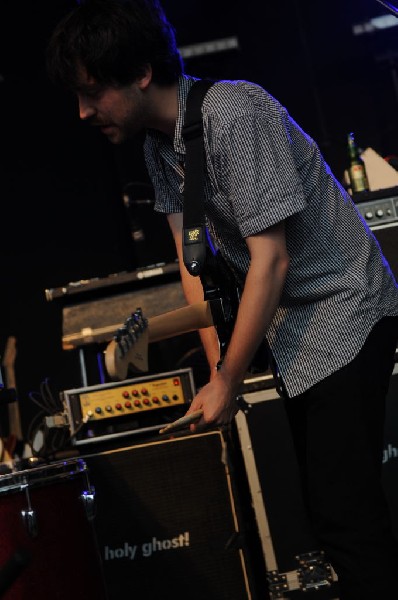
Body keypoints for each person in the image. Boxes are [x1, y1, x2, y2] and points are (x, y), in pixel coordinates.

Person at [46, 1, 398, 597]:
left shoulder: (235, 111)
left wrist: (230, 379)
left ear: (139, 72)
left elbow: (272, 259)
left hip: (345, 309)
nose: (83, 112)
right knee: (333, 516)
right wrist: (216, 372)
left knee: (345, 517)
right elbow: (195, 269)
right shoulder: (162, 147)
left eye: (93, 91)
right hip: (297, 332)